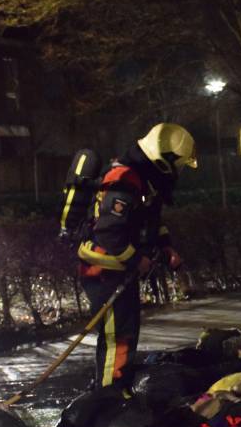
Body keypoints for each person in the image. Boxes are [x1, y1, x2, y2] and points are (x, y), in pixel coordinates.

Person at [77, 123, 197, 391]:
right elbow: (109, 233)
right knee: (116, 339)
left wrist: (165, 248)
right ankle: (109, 397)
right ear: (165, 161)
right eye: (180, 165)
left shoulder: (145, 180)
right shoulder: (124, 180)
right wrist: (136, 260)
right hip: (103, 271)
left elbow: (150, 222)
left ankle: (114, 389)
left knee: (125, 334)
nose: (180, 171)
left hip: (117, 269)